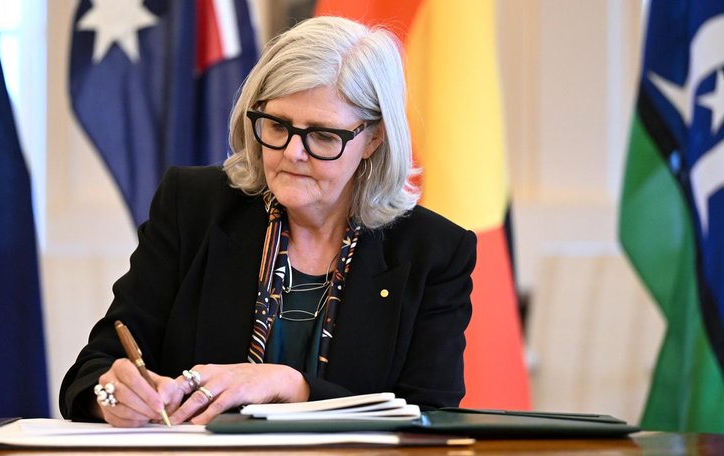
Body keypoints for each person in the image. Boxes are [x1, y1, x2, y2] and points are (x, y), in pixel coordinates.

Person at [59, 15, 476, 427]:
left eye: (323, 136)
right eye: (277, 126)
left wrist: (294, 386)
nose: (293, 152)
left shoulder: (434, 251)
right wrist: (111, 395)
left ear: (373, 139)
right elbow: (93, 369)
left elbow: (433, 419)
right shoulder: (192, 207)